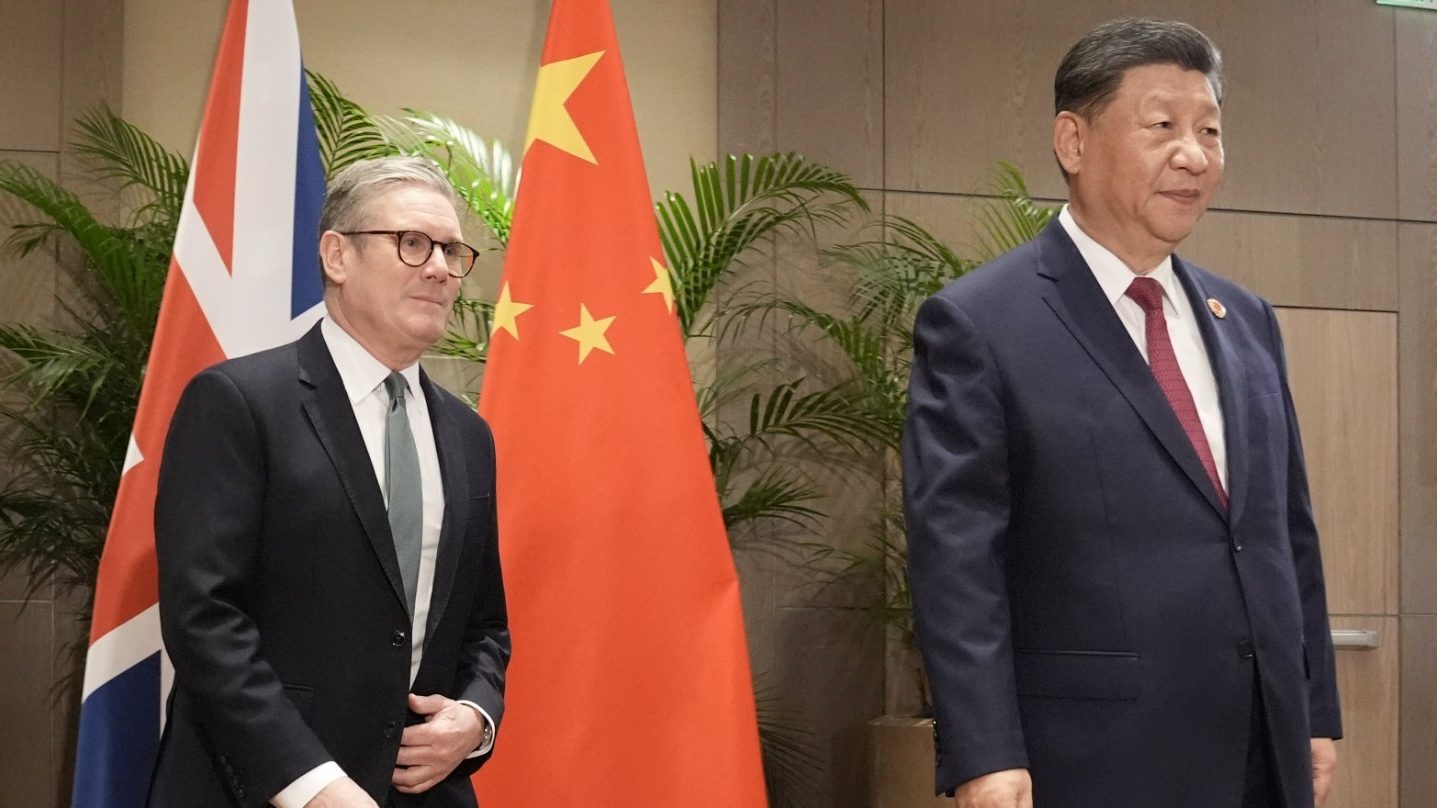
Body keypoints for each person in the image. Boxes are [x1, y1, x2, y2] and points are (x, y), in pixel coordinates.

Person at [904, 18, 1341, 808]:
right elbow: (957, 562)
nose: (1194, 155)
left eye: (1209, 130)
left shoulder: (1244, 320)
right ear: (1072, 141)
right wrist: (982, 752)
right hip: (1093, 757)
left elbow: (1285, 533)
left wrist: (1312, 708)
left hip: (1260, 748)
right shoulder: (980, 322)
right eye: (1162, 126)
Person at [148, 156, 510, 808]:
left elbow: (485, 624)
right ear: (336, 256)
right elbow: (204, 619)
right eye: (412, 243)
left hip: (421, 793)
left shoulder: (468, 435)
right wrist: (311, 786)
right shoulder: (237, 403)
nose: (439, 267)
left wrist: (474, 718)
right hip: (260, 790)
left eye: (453, 251)